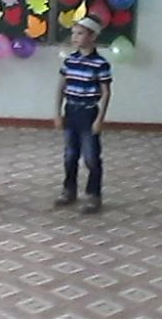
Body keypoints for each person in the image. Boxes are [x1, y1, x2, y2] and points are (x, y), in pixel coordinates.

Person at [54, 16, 112, 214]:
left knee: (91, 157)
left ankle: (93, 194)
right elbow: (61, 88)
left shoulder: (100, 64)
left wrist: (99, 119)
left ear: (92, 36)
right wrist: (57, 113)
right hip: (71, 111)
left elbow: (106, 92)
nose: (75, 37)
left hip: (89, 114)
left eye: (80, 34)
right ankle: (69, 190)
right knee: (70, 155)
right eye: (73, 33)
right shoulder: (70, 61)